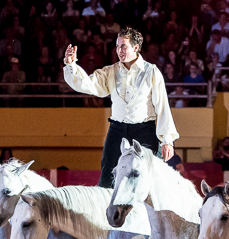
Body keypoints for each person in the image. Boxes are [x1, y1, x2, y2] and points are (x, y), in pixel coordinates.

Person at [63, 27, 178, 188]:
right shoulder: (111, 71)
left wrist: (167, 140)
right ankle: (105, 211)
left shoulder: (151, 71)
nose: (119, 50)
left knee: (150, 178)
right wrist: (71, 65)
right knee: (107, 176)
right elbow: (87, 84)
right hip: (117, 129)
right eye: (117, 46)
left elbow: (162, 106)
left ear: (135, 48)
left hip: (145, 131)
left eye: (123, 46)